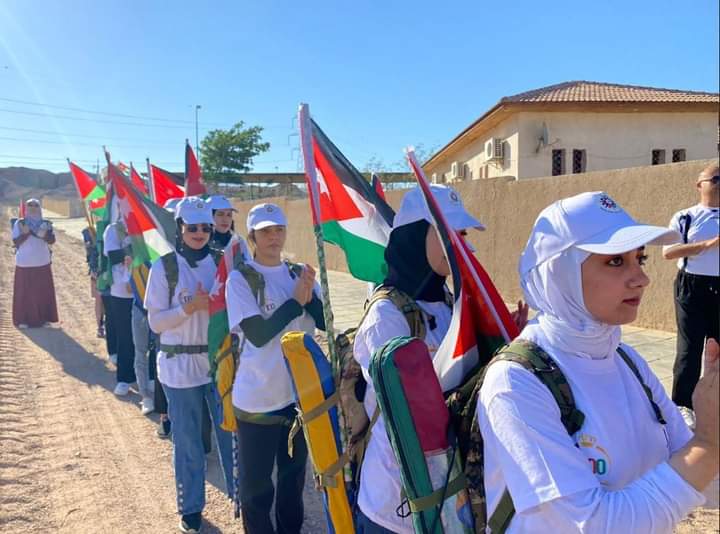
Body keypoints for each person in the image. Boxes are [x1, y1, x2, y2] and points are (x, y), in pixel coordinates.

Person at [477, 191, 718, 532]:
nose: (642, 278)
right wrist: (708, 443)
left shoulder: (626, 359)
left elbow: (697, 474)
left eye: (640, 258)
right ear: (560, 273)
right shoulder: (516, 382)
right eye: (616, 261)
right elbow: (595, 524)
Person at [353, 185, 488, 533]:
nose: (460, 243)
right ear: (415, 235)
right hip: (394, 507)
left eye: (463, 234)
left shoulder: (450, 303)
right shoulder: (386, 315)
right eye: (448, 233)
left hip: (448, 496)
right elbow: (408, 411)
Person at [225, 202, 325, 534]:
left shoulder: (299, 274)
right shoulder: (241, 279)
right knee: (256, 489)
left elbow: (325, 323)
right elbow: (257, 334)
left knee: (292, 484)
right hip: (258, 400)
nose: (273, 237)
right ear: (252, 236)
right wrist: (295, 302)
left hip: (299, 398)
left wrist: (310, 297)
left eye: (279, 229)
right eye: (265, 231)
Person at [145, 197, 234, 534]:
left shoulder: (221, 263)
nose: (199, 233)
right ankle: (191, 508)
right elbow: (156, 322)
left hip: (217, 364)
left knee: (230, 436)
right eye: (192, 227)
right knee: (188, 443)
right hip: (178, 367)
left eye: (205, 228)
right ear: (180, 228)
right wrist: (190, 308)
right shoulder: (164, 268)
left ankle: (241, 500)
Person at [663, 163, 720, 428]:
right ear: (700, 184)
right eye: (715, 179)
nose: (719, 184)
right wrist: (709, 244)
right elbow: (668, 252)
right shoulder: (685, 217)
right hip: (692, 286)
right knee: (690, 348)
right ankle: (683, 405)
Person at [12, 198, 59, 328]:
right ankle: (23, 320)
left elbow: (52, 241)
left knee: (42, 292)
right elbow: (15, 242)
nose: (33, 207)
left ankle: (43, 319)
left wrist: (45, 235)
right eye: (30, 205)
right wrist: (25, 234)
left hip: (42, 261)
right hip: (24, 262)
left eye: (36, 205)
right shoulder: (20, 223)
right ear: (26, 208)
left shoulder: (46, 223)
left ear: (39, 208)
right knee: (24, 292)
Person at [103, 219, 137, 396]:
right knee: (125, 337)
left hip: (144, 288)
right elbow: (113, 255)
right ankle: (125, 378)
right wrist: (136, 250)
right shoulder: (113, 229)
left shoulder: (145, 222)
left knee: (146, 339)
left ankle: (147, 377)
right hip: (121, 292)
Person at [82, 226, 105, 338]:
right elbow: (89, 254)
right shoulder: (89, 231)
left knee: (106, 300)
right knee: (99, 299)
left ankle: (103, 326)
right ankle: (100, 326)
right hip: (96, 270)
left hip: (108, 270)